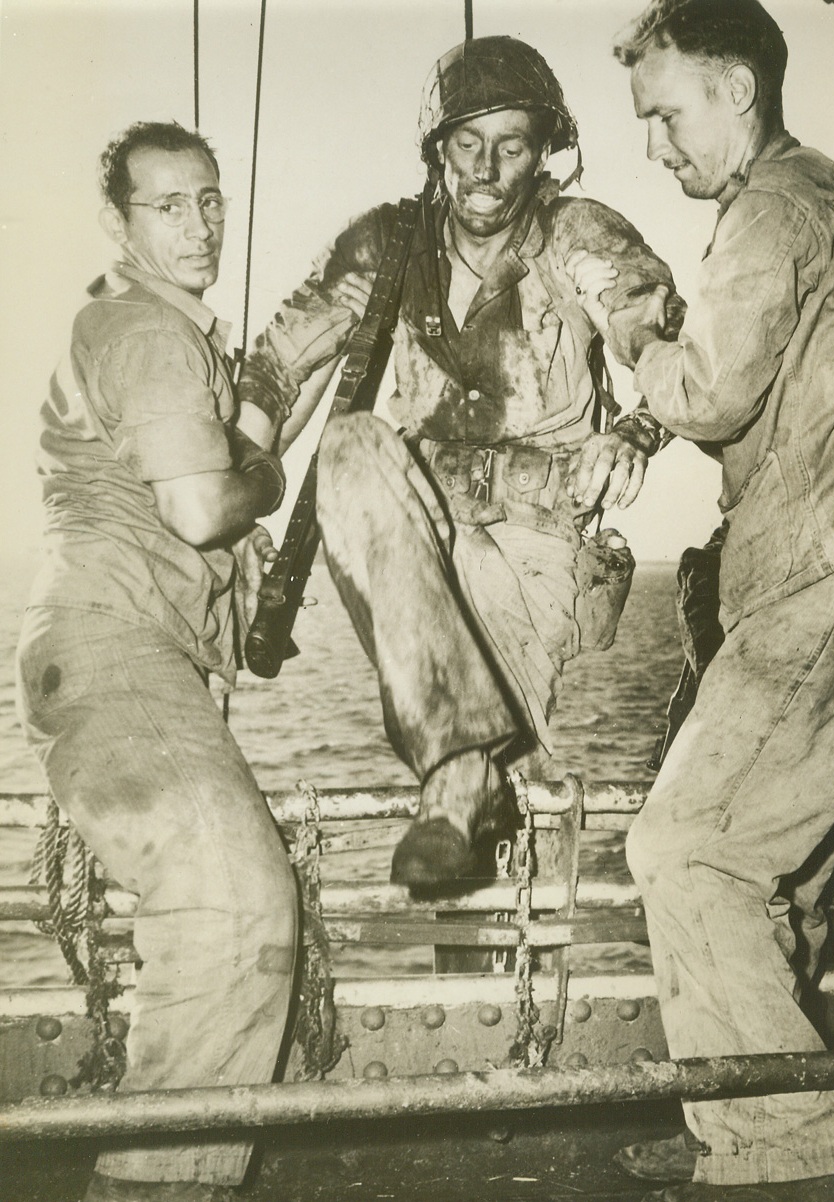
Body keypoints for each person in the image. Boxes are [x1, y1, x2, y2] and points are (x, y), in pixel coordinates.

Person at [567, 1, 834, 1199]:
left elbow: (712, 386)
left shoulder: (773, 204)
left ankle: (784, 1157)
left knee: (686, 848)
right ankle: (756, 1120)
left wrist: (620, 326)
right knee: (771, 874)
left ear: (735, 91)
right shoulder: (824, 205)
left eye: (664, 113)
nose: (653, 145)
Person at [237, 35, 684, 889]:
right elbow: (275, 367)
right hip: (418, 546)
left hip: (533, 549)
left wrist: (634, 432)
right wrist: (223, 505)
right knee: (350, 443)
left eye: (510, 146)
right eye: (466, 143)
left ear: (545, 149)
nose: (485, 168)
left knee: (492, 809)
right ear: (436, 146)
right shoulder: (385, 244)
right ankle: (456, 781)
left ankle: (459, 797)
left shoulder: (575, 235)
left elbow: (664, 348)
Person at [15, 121, 297, 1202]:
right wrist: (264, 477)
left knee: (229, 899)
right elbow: (197, 506)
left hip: (123, 656)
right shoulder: (141, 331)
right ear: (119, 224)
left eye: (211, 200)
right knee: (230, 899)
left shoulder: (174, 339)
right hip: (112, 650)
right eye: (168, 206)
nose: (201, 224)